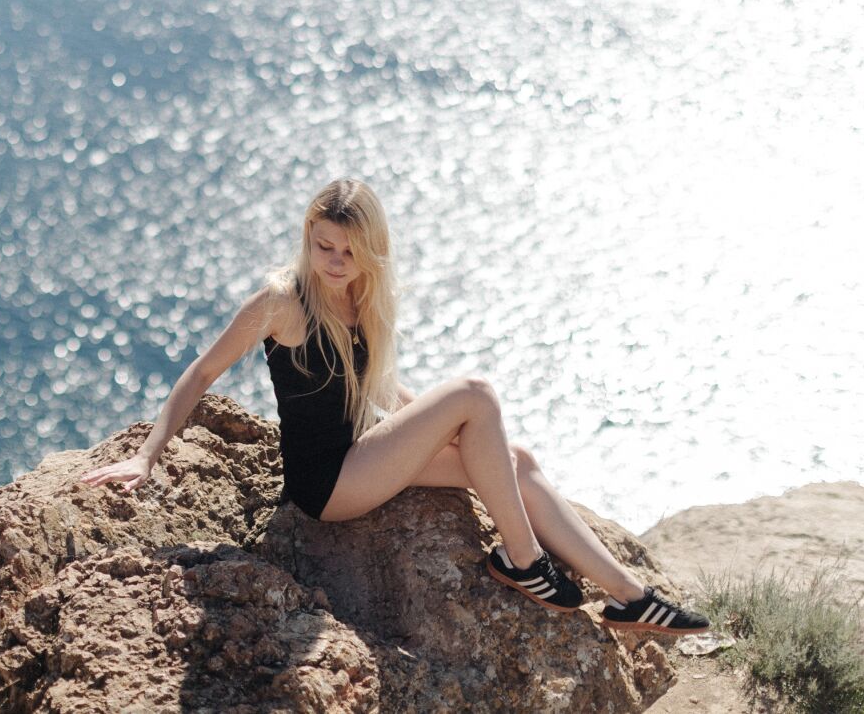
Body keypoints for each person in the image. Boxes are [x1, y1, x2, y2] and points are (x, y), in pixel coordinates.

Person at [80, 178, 708, 636]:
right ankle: (523, 562)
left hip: (364, 458)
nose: (333, 261)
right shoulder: (282, 302)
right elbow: (203, 371)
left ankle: (630, 596)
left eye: (348, 252)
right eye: (323, 245)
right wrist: (145, 455)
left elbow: (378, 390)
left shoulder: (360, 300)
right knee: (474, 394)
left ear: (368, 251)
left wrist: (439, 435)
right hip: (327, 484)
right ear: (309, 237)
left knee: (514, 459)